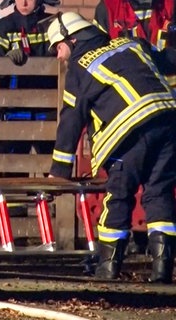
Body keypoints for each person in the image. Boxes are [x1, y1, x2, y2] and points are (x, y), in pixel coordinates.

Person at [45, 11, 176, 283]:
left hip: (129, 133)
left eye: (58, 48)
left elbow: (71, 120)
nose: (59, 57)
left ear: (73, 40)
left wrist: (58, 172)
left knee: (118, 195)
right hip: (168, 120)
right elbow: (168, 60)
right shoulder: (131, 43)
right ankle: (162, 271)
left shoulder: (80, 68)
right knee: (159, 193)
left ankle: (107, 271)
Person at [93, 0, 175, 254]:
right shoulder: (108, 8)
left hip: (167, 107)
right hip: (127, 115)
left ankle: (110, 261)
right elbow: (96, 55)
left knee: (151, 185)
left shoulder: (171, 7)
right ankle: (156, 257)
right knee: (134, 186)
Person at [0, 0, 60, 216]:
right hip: (15, 111)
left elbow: (68, 52)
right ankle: (13, 215)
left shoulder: (53, 24)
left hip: (49, 109)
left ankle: (57, 212)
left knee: (54, 161)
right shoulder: (3, 27)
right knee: (12, 162)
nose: (24, 2)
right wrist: (4, 61)